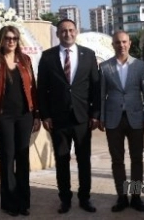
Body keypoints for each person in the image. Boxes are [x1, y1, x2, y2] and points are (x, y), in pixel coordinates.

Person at [37, 19, 100, 214]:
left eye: (71, 30)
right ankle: (65, 199)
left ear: (76, 31)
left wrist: (95, 114)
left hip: (82, 117)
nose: (67, 34)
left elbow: (96, 87)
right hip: (58, 118)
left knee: (84, 160)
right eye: (63, 31)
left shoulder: (88, 55)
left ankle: (85, 198)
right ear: (58, 34)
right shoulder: (47, 57)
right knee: (62, 160)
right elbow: (42, 89)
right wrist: (45, 115)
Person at [0, 25, 40, 217]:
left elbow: (33, 89)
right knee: (7, 158)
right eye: (8, 38)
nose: (11, 41)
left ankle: (23, 202)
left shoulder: (25, 60)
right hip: (3, 116)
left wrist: (37, 114)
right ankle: (9, 202)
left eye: (14, 38)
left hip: (25, 115)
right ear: (1, 39)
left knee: (22, 158)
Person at [99, 30, 144, 212]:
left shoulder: (140, 66)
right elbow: (101, 95)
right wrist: (101, 117)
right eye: (117, 42)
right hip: (113, 119)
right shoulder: (105, 67)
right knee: (117, 160)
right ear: (112, 45)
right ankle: (122, 197)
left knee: (137, 158)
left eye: (124, 42)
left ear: (129, 43)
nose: (121, 45)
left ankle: (136, 197)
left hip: (136, 118)